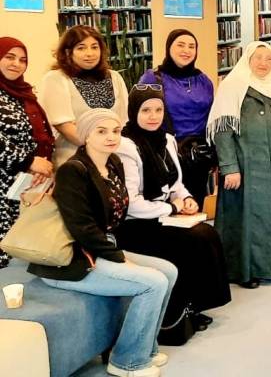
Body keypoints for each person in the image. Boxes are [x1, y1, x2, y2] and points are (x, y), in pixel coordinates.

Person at [29, 109, 176, 377]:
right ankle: (127, 362)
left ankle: (145, 348)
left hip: (97, 249)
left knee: (168, 271)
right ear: (86, 135)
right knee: (153, 282)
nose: (111, 137)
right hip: (70, 260)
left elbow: (115, 216)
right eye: (101, 131)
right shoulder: (73, 171)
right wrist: (119, 257)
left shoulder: (113, 163)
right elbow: (82, 229)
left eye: (116, 131)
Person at [115, 86, 230, 332]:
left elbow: (176, 183)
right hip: (135, 224)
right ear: (133, 111)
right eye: (146, 110)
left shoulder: (166, 139)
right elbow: (131, 203)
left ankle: (194, 305)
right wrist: (170, 207)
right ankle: (179, 312)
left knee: (207, 234)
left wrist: (186, 198)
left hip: (161, 215)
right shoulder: (125, 145)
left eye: (158, 110)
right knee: (190, 242)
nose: (153, 116)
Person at [207, 42, 271, 289]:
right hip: (245, 167)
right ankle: (245, 270)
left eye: (269, 59)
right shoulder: (233, 86)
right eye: (258, 58)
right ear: (247, 59)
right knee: (249, 219)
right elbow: (223, 130)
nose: (263, 63)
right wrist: (229, 167)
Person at [138, 29, 216, 205]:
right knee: (169, 206)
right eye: (180, 45)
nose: (186, 51)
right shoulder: (152, 78)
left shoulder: (204, 80)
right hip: (165, 154)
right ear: (169, 47)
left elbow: (211, 117)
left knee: (194, 205)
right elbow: (140, 114)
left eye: (191, 46)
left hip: (198, 156)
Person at [38, 25, 129, 166]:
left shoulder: (115, 77)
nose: (89, 53)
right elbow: (65, 127)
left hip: (114, 156)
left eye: (94, 47)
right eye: (81, 48)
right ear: (68, 52)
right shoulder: (56, 78)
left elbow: (123, 122)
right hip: (74, 160)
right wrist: (100, 148)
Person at [0, 37, 54, 269]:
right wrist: (29, 160)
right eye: (9, 57)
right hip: (3, 184)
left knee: (21, 249)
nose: (17, 64)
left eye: (23, 60)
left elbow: (40, 133)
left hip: (23, 183)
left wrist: (41, 164)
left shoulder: (22, 92)